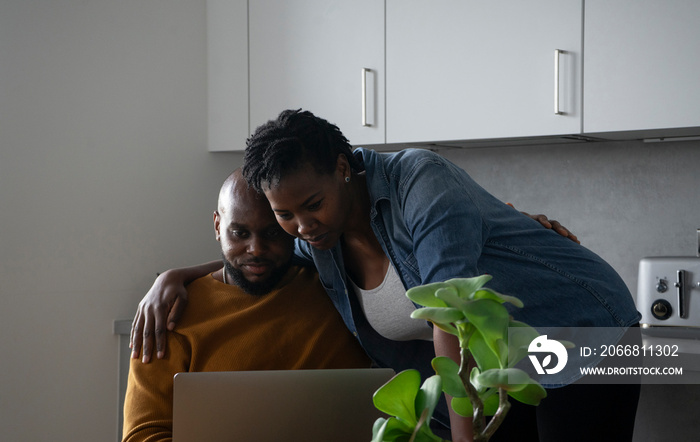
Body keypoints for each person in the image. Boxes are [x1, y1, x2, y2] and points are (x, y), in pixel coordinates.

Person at [131, 110, 641, 441]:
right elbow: (262, 254)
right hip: (500, 359)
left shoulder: (419, 178)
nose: (302, 227)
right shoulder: (318, 241)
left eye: (311, 206)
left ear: (342, 168)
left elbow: (451, 317)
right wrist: (174, 276)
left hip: (586, 330)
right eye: (286, 216)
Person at [122, 169, 370, 442]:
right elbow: (142, 435)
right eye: (240, 233)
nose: (256, 249)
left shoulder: (333, 286)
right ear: (218, 226)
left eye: (272, 233)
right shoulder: (170, 314)